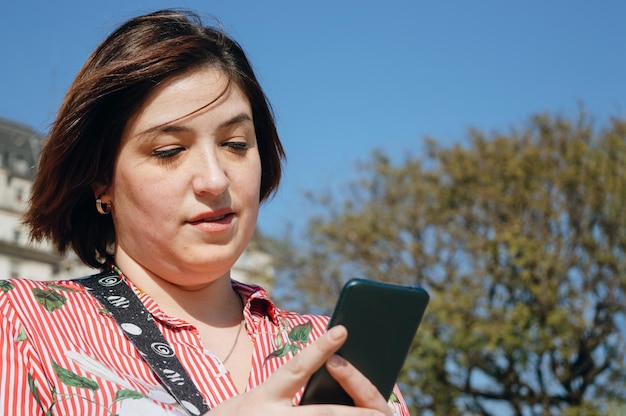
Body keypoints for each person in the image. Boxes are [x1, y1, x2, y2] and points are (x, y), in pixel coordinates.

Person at [0, 9, 409, 416]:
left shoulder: (335, 351)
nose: (215, 180)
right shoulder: (22, 322)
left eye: (235, 144)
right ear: (102, 181)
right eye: (169, 151)